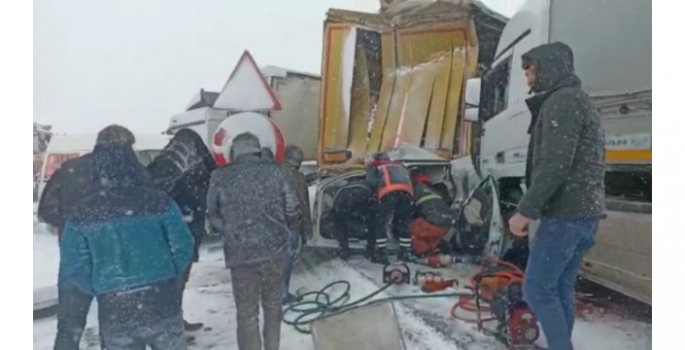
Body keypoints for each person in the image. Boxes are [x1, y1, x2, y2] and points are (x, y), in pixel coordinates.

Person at [508, 42, 606, 350]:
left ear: (547, 67)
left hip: (565, 214)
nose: (528, 78)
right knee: (559, 286)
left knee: (536, 289)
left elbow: (555, 164)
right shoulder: (577, 100)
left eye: (530, 70)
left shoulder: (561, 102)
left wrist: (525, 211)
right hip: (584, 213)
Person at [59, 142, 195, 350]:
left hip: (115, 307)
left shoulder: (81, 213)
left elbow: (74, 267)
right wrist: (167, 273)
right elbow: (184, 245)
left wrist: (102, 286)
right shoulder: (160, 201)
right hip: (162, 299)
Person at [37, 125, 136, 350]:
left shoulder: (70, 169)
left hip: (75, 256)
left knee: (69, 324)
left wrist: (74, 224)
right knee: (114, 324)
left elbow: (45, 211)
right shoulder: (128, 174)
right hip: (114, 259)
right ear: (122, 146)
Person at [206, 132, 300, 350]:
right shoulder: (278, 171)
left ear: (234, 151)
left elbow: (212, 216)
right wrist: (283, 226)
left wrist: (230, 230)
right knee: (273, 304)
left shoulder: (220, 176)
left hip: (241, 255)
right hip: (274, 250)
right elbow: (292, 207)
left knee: (247, 314)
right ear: (257, 149)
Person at [146, 128, 218, 334]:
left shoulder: (159, 167)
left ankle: (172, 323)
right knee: (175, 284)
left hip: (164, 236)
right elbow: (212, 182)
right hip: (184, 234)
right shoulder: (199, 168)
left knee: (167, 284)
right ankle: (170, 329)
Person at [366, 152, 414, 263]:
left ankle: (382, 253)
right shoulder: (399, 165)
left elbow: (371, 183)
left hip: (388, 193)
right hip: (407, 193)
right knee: (404, 223)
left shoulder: (375, 165)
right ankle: (405, 253)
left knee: (381, 222)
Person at [281, 144, 312, 304]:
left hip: (274, 224)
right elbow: (303, 204)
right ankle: (283, 294)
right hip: (291, 224)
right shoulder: (298, 177)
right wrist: (307, 229)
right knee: (286, 260)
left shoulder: (274, 173)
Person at [330, 180, 376, 261]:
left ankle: (344, 250)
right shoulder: (369, 183)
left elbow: (335, 207)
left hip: (342, 198)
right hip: (363, 194)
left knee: (340, 223)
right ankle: (371, 250)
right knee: (372, 222)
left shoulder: (344, 186)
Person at [410, 174, 453, 256]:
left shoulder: (415, 190)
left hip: (431, 226)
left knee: (408, 227)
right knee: (431, 230)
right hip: (446, 226)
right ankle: (434, 248)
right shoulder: (435, 191)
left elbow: (410, 212)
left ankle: (422, 251)